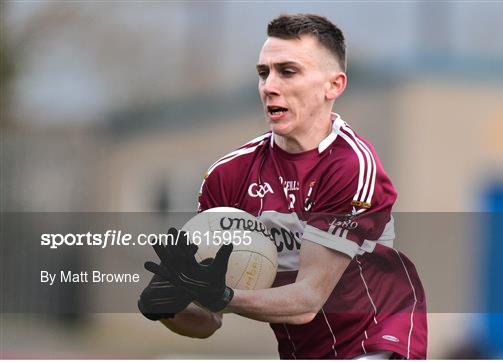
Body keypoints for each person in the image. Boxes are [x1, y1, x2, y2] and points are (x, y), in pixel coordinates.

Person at [139, 13, 427, 359]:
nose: (269, 85)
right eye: (264, 72)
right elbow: (207, 322)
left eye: (288, 71)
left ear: (333, 85)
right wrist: (170, 305)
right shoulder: (228, 176)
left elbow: (307, 299)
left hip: (378, 338)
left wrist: (226, 297)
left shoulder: (351, 166)